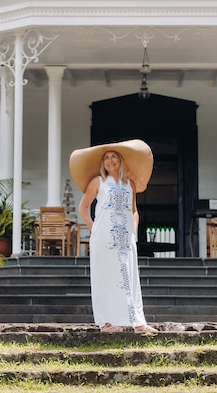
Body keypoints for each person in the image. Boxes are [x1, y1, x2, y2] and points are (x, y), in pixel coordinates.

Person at [69, 139, 157, 334]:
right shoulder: (97, 182)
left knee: (129, 277)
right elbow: (83, 208)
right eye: (106, 158)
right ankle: (106, 322)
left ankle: (137, 321)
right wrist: (95, 229)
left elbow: (134, 210)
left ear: (120, 161)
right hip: (104, 239)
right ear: (103, 163)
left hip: (126, 239)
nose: (110, 161)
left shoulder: (130, 184)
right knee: (104, 277)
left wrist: (133, 231)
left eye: (114, 157)